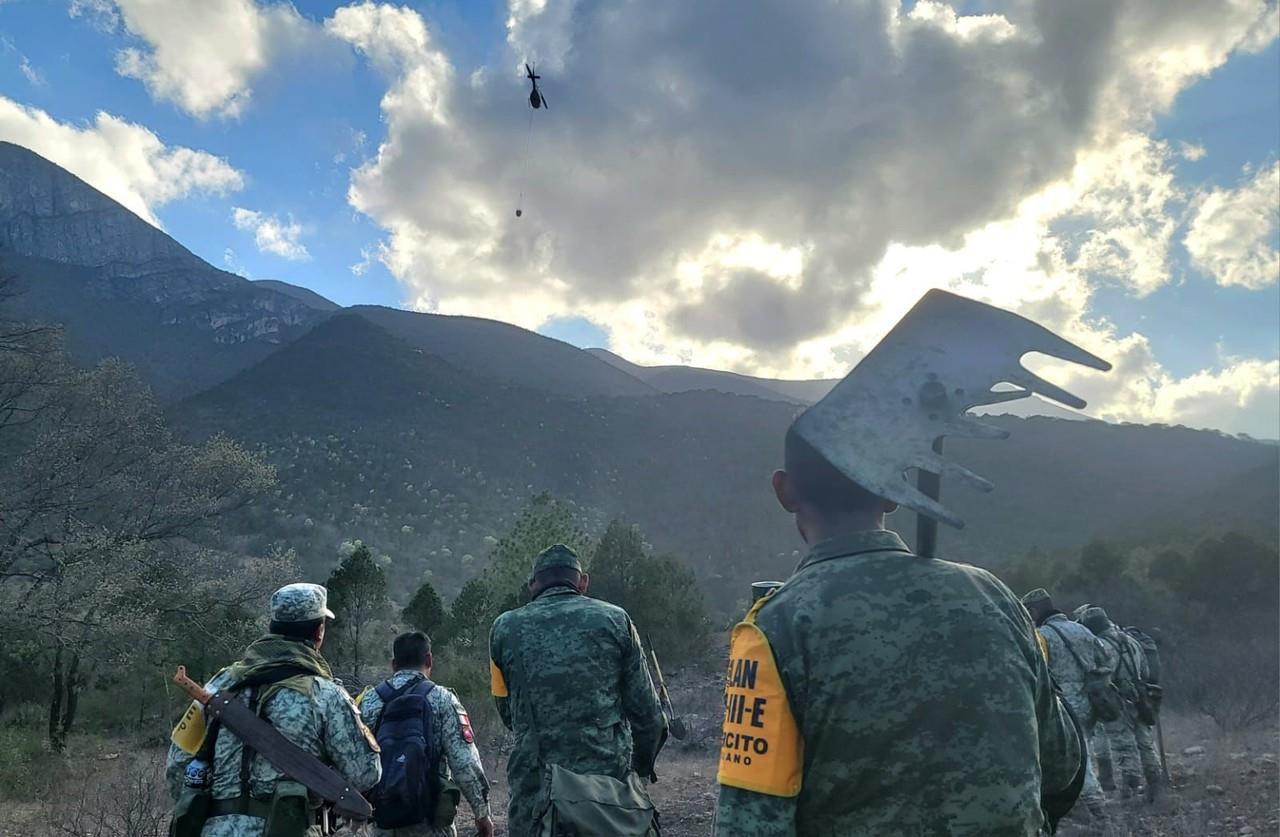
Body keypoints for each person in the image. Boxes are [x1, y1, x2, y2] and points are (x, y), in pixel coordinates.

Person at [713, 428, 1083, 836]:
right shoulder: (995, 596)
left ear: (784, 491)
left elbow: (749, 822)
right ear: (892, 493)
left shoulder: (774, 627)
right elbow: (1062, 767)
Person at [166, 583, 382, 836]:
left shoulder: (217, 686)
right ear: (319, 632)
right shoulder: (325, 694)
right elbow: (365, 774)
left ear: (272, 628)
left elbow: (177, 766)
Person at [488, 544, 667, 836]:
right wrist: (638, 773)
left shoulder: (503, 629)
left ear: (532, 585)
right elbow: (650, 718)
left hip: (536, 801)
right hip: (606, 798)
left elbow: (508, 713)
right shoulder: (616, 620)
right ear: (583, 581)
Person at [358, 631, 494, 837]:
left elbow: (354, 763)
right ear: (429, 660)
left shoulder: (369, 701)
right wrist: (482, 815)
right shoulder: (442, 699)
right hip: (430, 824)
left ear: (394, 664)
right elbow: (465, 763)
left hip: (381, 822)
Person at [1022, 588, 1111, 821]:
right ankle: (1095, 810)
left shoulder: (1042, 635)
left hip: (1065, 709)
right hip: (1091, 702)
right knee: (1087, 752)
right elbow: (1105, 661)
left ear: (1034, 610)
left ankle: (1096, 811)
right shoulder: (1081, 628)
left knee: (1079, 761)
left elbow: (1037, 671)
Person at [1080, 606, 1163, 803]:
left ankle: (1129, 790)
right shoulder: (1132, 641)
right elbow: (1145, 668)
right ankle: (1155, 787)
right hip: (1140, 696)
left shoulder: (1102, 645)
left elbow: (1103, 674)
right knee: (1145, 743)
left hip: (1118, 699)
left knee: (1123, 746)